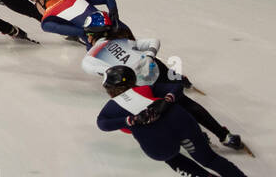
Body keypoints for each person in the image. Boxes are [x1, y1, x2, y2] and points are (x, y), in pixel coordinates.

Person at [96, 66, 276, 177]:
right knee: (209, 158)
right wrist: (167, 100)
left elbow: (102, 123)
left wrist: (131, 120)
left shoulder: (112, 107)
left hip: (156, 141)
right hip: (179, 121)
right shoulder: (147, 88)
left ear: (110, 89)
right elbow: (176, 86)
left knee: (171, 157)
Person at [82, 36, 249, 153]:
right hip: (155, 70)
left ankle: (196, 135)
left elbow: (105, 78)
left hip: (137, 84)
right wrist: (148, 56)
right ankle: (223, 135)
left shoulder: (89, 58)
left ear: (89, 39)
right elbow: (154, 41)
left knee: (165, 111)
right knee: (184, 103)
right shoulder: (117, 39)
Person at [27, 0, 134, 46]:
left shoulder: (46, 22)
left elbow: (81, 31)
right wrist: (114, 18)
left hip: (101, 44)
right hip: (121, 29)